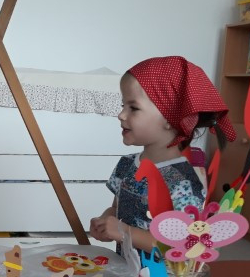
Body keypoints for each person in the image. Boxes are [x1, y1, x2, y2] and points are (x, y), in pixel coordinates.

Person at [90, 56, 236, 254]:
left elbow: (186, 246)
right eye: (123, 106)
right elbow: (116, 210)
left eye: (133, 108)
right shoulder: (126, 164)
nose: (121, 115)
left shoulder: (183, 181)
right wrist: (105, 222)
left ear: (169, 118)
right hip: (125, 268)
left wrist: (124, 232)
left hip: (163, 274)